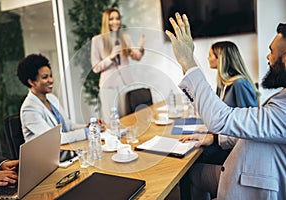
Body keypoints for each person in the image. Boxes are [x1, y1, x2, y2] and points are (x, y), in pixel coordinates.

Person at [166, 13, 286, 199]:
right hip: (241, 169)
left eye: (272, 51)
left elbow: (222, 118)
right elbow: (256, 128)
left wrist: (188, 61)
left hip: (254, 184)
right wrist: (214, 139)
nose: (267, 57)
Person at [17, 54, 103, 144]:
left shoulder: (51, 98)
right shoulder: (29, 109)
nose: (51, 80)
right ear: (31, 82)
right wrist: (88, 132)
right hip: (47, 157)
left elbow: (69, 127)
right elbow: (54, 139)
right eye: (45, 77)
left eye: (51, 76)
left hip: (66, 152)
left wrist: (90, 127)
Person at [91, 8, 145, 121]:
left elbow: (137, 57)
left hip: (125, 83)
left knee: (129, 119)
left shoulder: (125, 38)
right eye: (111, 19)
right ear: (106, 21)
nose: (115, 22)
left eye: (117, 19)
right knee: (112, 121)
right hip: (108, 86)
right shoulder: (97, 40)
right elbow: (95, 67)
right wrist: (110, 58)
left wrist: (141, 48)